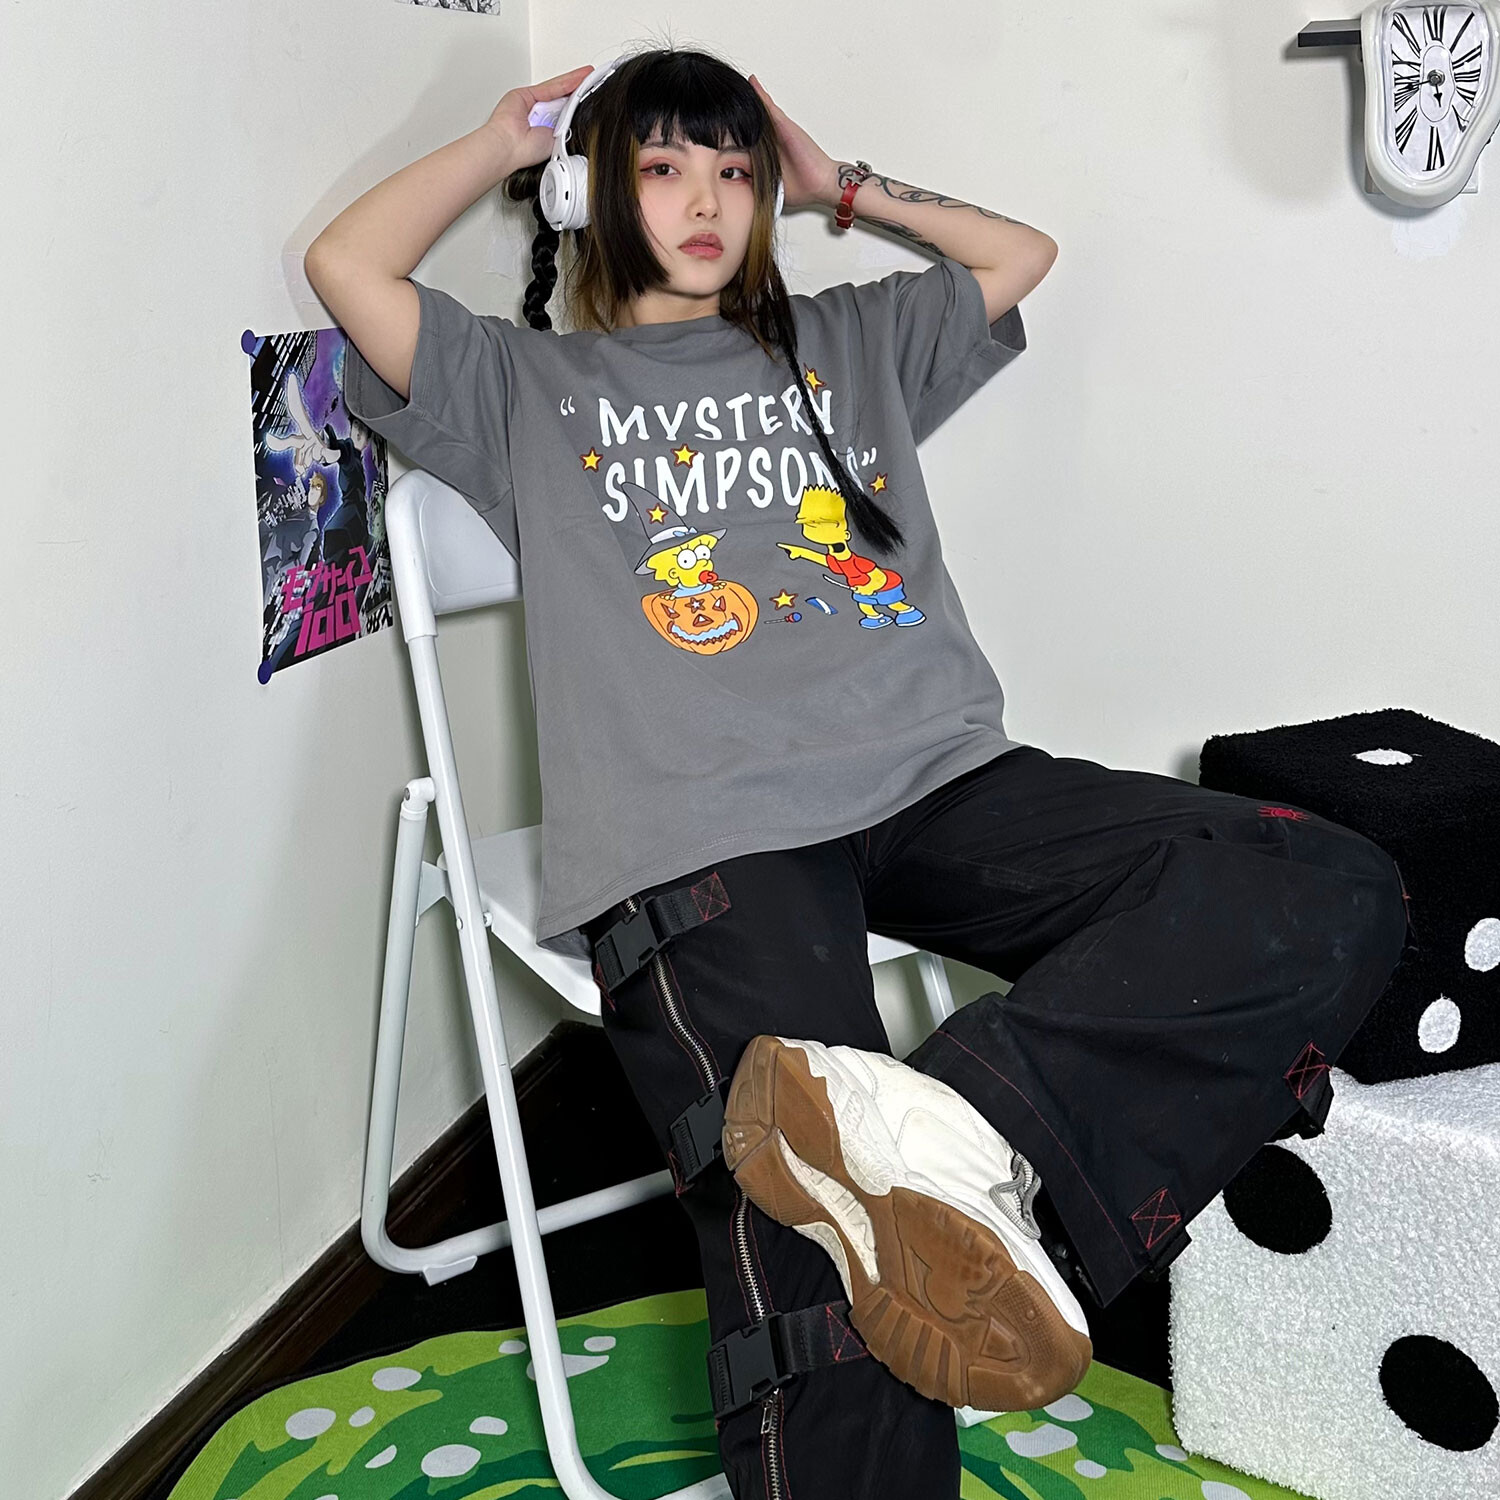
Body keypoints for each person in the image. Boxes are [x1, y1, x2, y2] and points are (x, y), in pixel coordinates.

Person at [305, 45, 1409, 1500]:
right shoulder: (525, 386)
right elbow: (347, 266)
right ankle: (907, 1182)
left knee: (1326, 878)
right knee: (808, 1224)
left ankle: (943, 1140)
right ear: (587, 193)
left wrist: (841, 185)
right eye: (661, 168)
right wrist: (504, 143)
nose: (709, 201)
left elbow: (1020, 255)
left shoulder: (849, 340)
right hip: (705, 830)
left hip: (938, 782)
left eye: (736, 170)